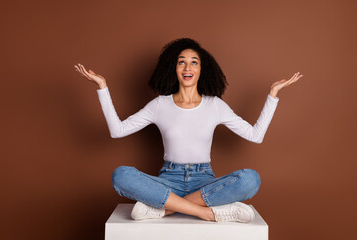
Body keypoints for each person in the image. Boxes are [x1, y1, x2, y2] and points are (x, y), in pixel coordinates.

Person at [74, 38, 303, 223]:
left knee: (251, 180)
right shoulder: (160, 105)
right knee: (120, 175)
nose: (187, 67)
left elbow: (255, 135)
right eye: (181, 62)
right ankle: (206, 212)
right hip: (168, 181)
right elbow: (118, 130)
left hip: (204, 182)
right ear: (173, 68)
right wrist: (102, 88)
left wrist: (273, 95)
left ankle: (166, 209)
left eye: (194, 62)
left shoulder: (215, 105)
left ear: (202, 69)